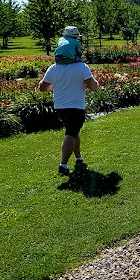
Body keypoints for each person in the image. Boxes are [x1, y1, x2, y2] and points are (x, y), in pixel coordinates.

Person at [38, 29, 98, 176]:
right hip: (76, 106)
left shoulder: (53, 68)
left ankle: (78, 158)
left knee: (73, 130)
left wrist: (55, 84)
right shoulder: (81, 67)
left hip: (60, 106)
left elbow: (43, 87)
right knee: (71, 133)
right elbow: (92, 86)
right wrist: (95, 81)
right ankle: (63, 165)